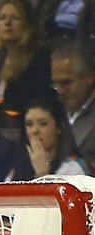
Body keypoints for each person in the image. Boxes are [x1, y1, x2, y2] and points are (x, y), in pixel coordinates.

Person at [0, 0, 55, 135]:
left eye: (15, 18)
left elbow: (36, 101)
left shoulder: (39, 59)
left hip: (25, 132)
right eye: (2, 18)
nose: (7, 23)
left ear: (27, 25)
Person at [7, 95, 90, 178]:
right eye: (29, 124)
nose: (34, 130)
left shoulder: (74, 168)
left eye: (43, 124)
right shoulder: (19, 169)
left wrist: (42, 174)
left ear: (59, 127)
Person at [50, 37, 95, 168]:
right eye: (55, 84)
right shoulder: (52, 111)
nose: (60, 91)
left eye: (66, 83)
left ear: (89, 77)